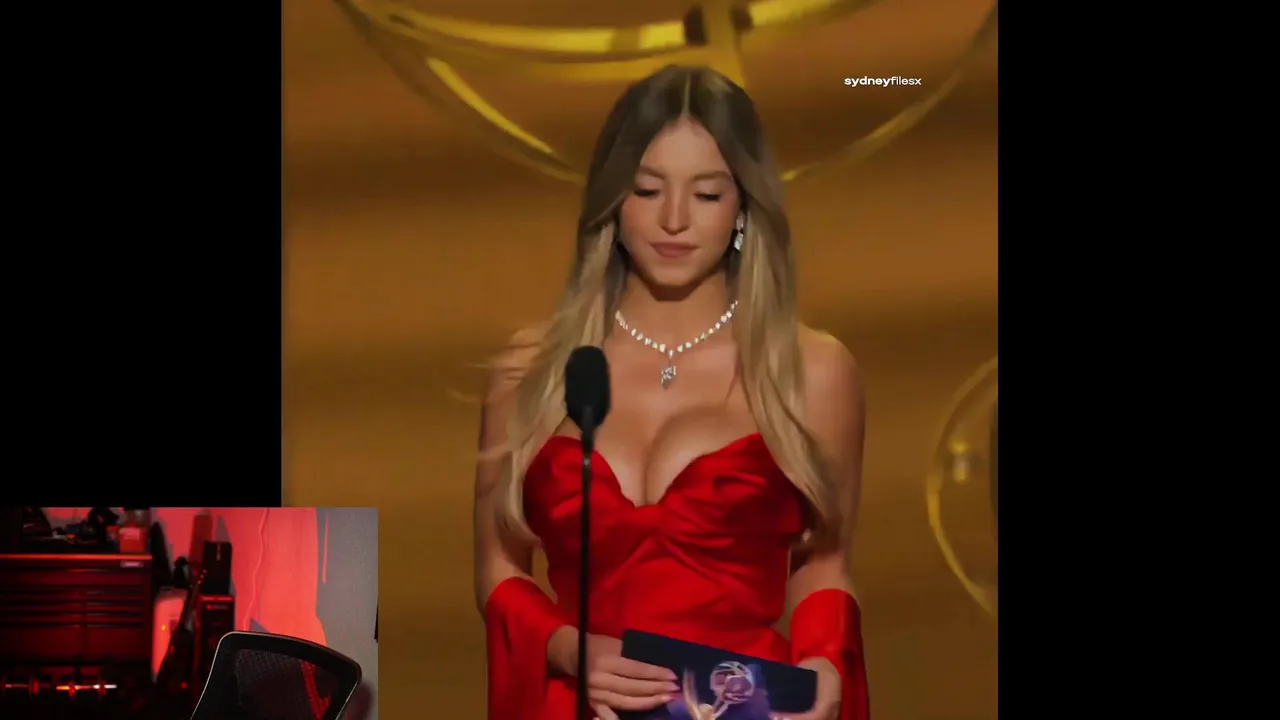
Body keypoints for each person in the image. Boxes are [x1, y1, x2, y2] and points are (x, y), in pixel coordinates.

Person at [474, 65, 869, 720]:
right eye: (648, 189)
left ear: (743, 207)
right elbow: (499, 568)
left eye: (707, 194)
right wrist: (570, 649)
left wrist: (824, 658)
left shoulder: (812, 370)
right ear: (613, 200)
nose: (675, 220)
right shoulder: (531, 369)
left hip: (743, 707)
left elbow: (824, 561)